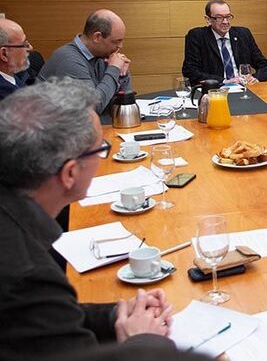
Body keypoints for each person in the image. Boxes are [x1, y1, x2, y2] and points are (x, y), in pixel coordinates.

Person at [0, 79, 174, 360]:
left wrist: (114, 315)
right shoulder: (27, 274)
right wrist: (143, 341)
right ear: (70, 173)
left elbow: (48, 318)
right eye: (100, 148)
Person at [38, 9, 131, 116]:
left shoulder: (102, 56)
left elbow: (125, 103)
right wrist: (114, 69)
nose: (120, 46)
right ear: (97, 37)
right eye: (116, 41)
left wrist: (122, 75)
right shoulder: (69, 60)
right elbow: (92, 109)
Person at [182, 0, 267, 85]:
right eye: (219, 18)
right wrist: (225, 81)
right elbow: (190, 71)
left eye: (228, 17)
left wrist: (255, 79)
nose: (225, 22)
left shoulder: (243, 34)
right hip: (216, 89)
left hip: (244, 87)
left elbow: (264, 65)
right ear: (208, 19)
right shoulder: (197, 36)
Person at [0, 18, 33, 101]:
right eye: (25, 44)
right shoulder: (9, 98)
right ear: (4, 54)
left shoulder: (11, 76)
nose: (30, 48)